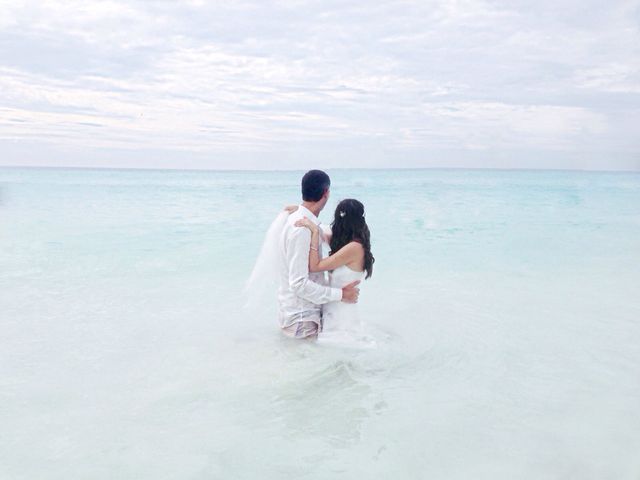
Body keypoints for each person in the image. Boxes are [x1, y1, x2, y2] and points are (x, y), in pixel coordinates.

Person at [278, 170, 360, 339]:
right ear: (326, 193)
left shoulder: (300, 220)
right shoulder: (302, 230)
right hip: (302, 320)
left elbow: (322, 232)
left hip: (299, 316)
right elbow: (299, 284)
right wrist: (342, 295)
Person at [294, 198, 375, 345]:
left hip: (342, 316)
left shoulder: (354, 248)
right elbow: (323, 230)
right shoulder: (345, 244)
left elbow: (315, 266)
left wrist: (313, 232)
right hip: (333, 310)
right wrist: (301, 211)